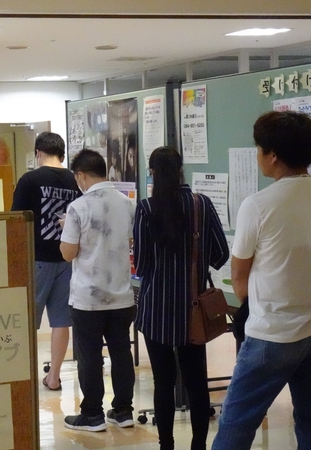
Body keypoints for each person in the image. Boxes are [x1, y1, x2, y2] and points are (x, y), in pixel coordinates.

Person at [212, 111, 311, 450]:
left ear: (272, 155)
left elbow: (239, 277)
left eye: (258, 149)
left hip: (271, 334)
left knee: (236, 424)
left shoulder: (258, 205)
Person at [133, 146, 229, 450]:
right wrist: (195, 262)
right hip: (193, 309)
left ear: (152, 173)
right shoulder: (201, 204)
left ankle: (166, 444)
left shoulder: (146, 208)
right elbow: (221, 254)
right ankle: (198, 445)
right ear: (180, 170)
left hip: (156, 310)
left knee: (162, 383)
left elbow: (142, 265)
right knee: (196, 381)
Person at [60, 149, 136, 432]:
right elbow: (129, 241)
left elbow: (68, 253)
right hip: (122, 295)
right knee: (121, 352)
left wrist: (66, 230)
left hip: (88, 298)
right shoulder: (128, 204)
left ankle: (92, 414)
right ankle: (123, 411)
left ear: (81, 175)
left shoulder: (78, 207)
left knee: (90, 355)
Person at [11, 132, 80, 391]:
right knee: (62, 321)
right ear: (62, 154)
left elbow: (16, 220)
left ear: (38, 153)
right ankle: (54, 377)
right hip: (68, 259)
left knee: (27, 321)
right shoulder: (76, 180)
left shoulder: (29, 180)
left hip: (36, 259)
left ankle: (25, 376)